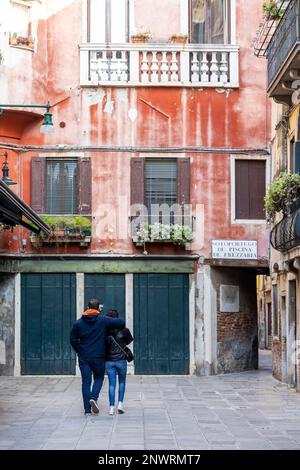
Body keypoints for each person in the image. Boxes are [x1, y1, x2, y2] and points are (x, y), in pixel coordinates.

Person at [70, 299, 125, 416]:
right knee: (99, 378)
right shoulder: (103, 320)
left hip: (84, 356)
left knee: (85, 382)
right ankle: (93, 398)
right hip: (99, 356)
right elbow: (121, 322)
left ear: (87, 307)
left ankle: (87, 410)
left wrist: (79, 350)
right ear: (98, 308)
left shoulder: (78, 323)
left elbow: (73, 340)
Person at [105, 309, 133, 416]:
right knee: (122, 382)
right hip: (121, 360)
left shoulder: (105, 332)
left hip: (109, 361)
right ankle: (120, 404)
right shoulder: (124, 330)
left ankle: (111, 407)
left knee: (111, 384)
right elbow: (129, 341)